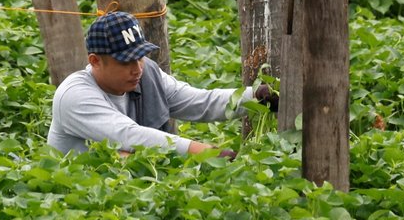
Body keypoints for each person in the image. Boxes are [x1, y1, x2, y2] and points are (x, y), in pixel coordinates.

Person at [47, 11, 278, 158]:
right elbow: (129, 135)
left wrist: (258, 95)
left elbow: (200, 102)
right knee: (123, 154)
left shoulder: (146, 74)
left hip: (136, 196)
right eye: (125, 60)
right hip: (82, 202)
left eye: (140, 56)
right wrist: (204, 152)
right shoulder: (74, 95)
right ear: (95, 61)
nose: (137, 68)